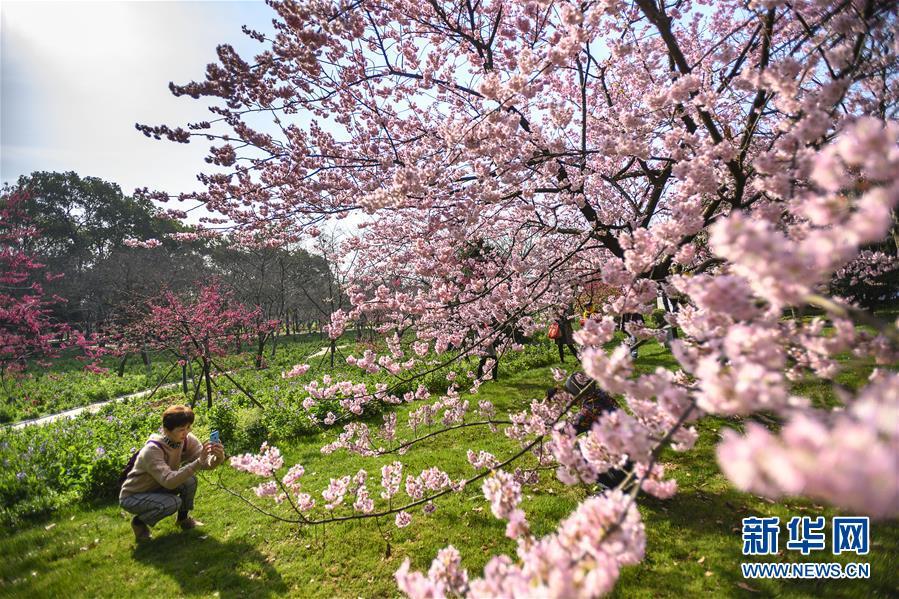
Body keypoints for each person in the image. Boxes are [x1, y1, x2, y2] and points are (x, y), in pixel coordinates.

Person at [120, 404, 224, 541]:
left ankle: (183, 520)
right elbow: (169, 482)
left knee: (190, 481)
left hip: (159, 486)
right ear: (166, 430)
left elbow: (205, 463)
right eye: (182, 429)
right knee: (172, 503)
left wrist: (218, 457)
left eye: (188, 427)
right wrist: (198, 461)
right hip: (134, 496)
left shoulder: (186, 440)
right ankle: (139, 522)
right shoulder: (152, 450)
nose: (186, 432)